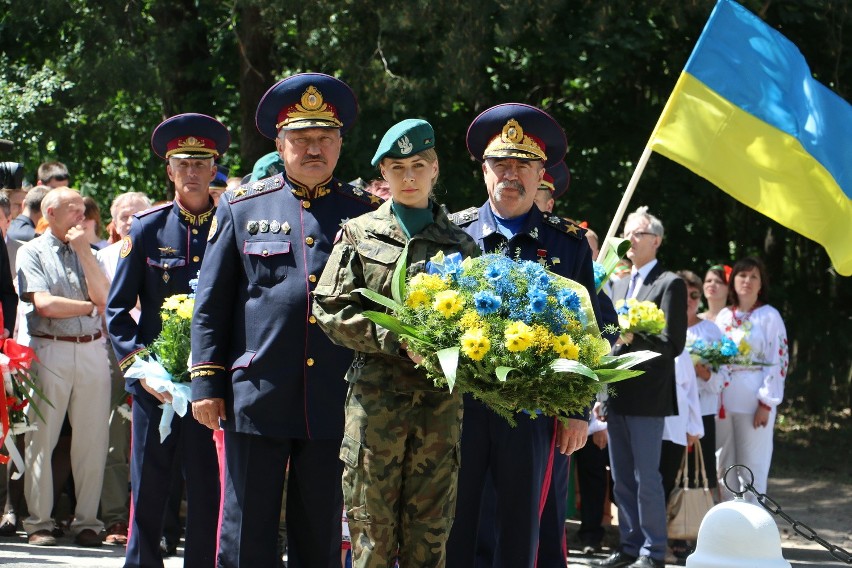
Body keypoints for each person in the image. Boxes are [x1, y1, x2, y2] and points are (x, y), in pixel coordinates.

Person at [189, 73, 378, 568]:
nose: (313, 149)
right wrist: (207, 382)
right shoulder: (240, 206)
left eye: (324, 139)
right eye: (301, 139)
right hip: (258, 392)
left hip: (334, 395)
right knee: (246, 529)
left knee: (319, 531)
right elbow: (212, 300)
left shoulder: (366, 214)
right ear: (280, 143)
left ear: (339, 144)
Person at [445, 103, 612, 568]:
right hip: (462, 409)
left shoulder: (568, 244)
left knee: (522, 529)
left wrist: (579, 412)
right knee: (458, 522)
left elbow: (589, 333)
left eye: (523, 164)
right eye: (500, 163)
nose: (510, 174)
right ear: (484, 171)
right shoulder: (452, 236)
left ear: (542, 174)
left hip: (533, 413)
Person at [314, 118, 480, 567]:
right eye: (398, 167)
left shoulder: (463, 246)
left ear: (435, 169)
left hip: (438, 408)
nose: (409, 177)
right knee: (371, 537)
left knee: (430, 537)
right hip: (375, 407)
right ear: (383, 174)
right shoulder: (359, 233)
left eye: (418, 165)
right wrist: (394, 338)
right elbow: (328, 309)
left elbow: (484, 325)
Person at [106, 113, 229, 567]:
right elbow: (117, 310)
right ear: (170, 170)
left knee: (206, 485)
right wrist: (140, 369)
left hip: (209, 386)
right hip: (155, 382)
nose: (193, 172)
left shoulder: (232, 223)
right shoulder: (147, 228)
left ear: (214, 167)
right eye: (183, 163)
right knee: (150, 481)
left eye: (202, 162)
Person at [17, 187, 112, 548]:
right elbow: (45, 305)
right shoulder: (32, 252)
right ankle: (38, 521)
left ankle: (88, 521)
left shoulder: (92, 251)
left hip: (91, 350)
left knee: (92, 440)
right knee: (41, 438)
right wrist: (87, 307)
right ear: (50, 212)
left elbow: (105, 298)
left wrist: (85, 252)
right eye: (74, 210)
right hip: (50, 349)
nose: (81, 216)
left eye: (83, 210)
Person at [594, 206, 687, 568]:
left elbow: (672, 344)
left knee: (646, 477)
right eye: (627, 233)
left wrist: (633, 338)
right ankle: (630, 546)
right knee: (620, 480)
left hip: (649, 396)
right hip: (617, 395)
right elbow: (606, 341)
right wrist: (602, 393)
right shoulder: (616, 282)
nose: (629, 240)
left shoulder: (670, 283)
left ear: (656, 241)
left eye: (637, 233)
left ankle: (652, 549)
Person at [96, 191, 152, 547]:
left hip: (160, 357)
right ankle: (116, 515)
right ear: (113, 225)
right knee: (116, 441)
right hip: (113, 357)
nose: (130, 221)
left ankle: (156, 525)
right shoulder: (101, 258)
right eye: (123, 216)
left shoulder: (164, 247)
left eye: (137, 215)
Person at [715, 257, 788, 501]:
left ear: (761, 284)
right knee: (724, 466)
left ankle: (754, 529)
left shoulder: (770, 317)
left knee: (752, 467)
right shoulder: (724, 316)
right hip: (722, 403)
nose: (747, 281)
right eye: (742, 275)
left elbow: (778, 360)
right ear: (733, 281)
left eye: (753, 276)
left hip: (754, 403)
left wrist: (766, 403)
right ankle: (728, 526)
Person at [682, 270, 725, 493]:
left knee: (703, 473)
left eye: (694, 295)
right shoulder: (662, 327)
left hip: (703, 411)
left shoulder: (710, 330)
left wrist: (701, 371)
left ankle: (702, 523)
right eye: (683, 294)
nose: (689, 300)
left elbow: (721, 380)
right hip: (672, 412)